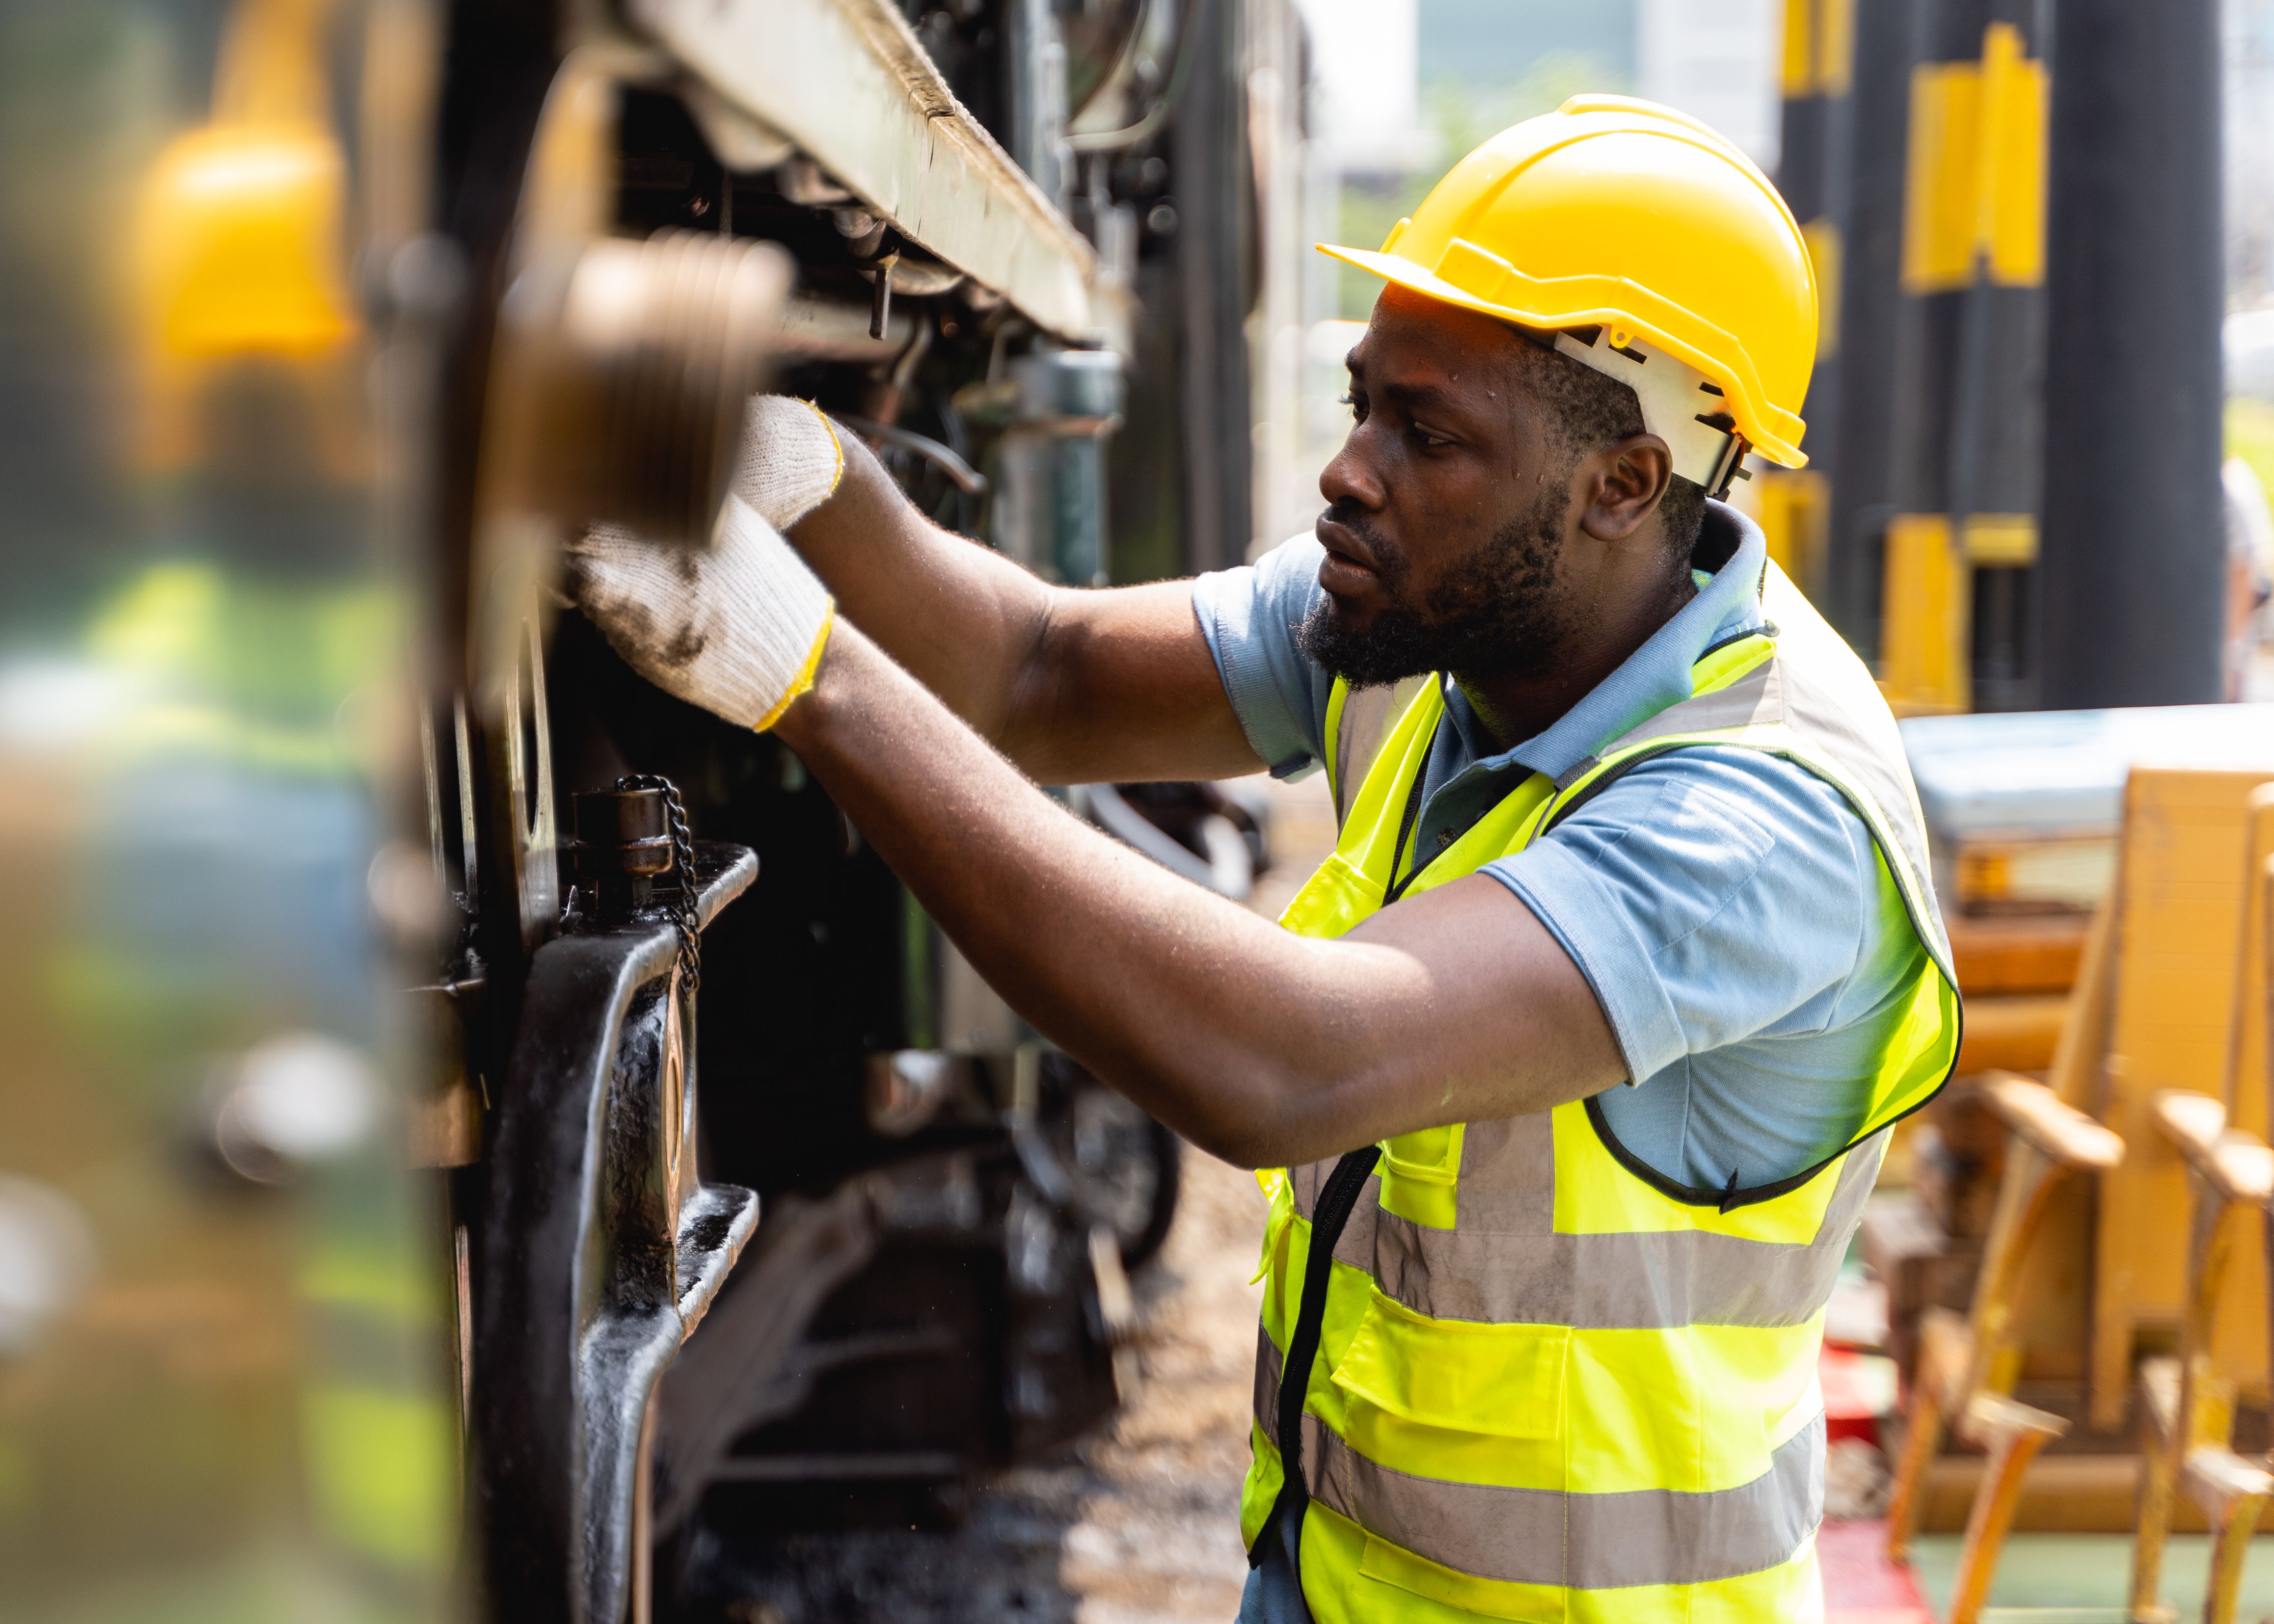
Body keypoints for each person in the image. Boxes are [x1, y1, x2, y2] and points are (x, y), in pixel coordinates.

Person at [573, 96, 1957, 1622]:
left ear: (1623, 484)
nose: (1349, 473)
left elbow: (1288, 1063)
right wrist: (802, 470)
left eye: (1427, 433)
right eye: (1364, 405)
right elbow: (1039, 671)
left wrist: (809, 677)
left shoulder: (1759, 815)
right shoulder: (1450, 616)